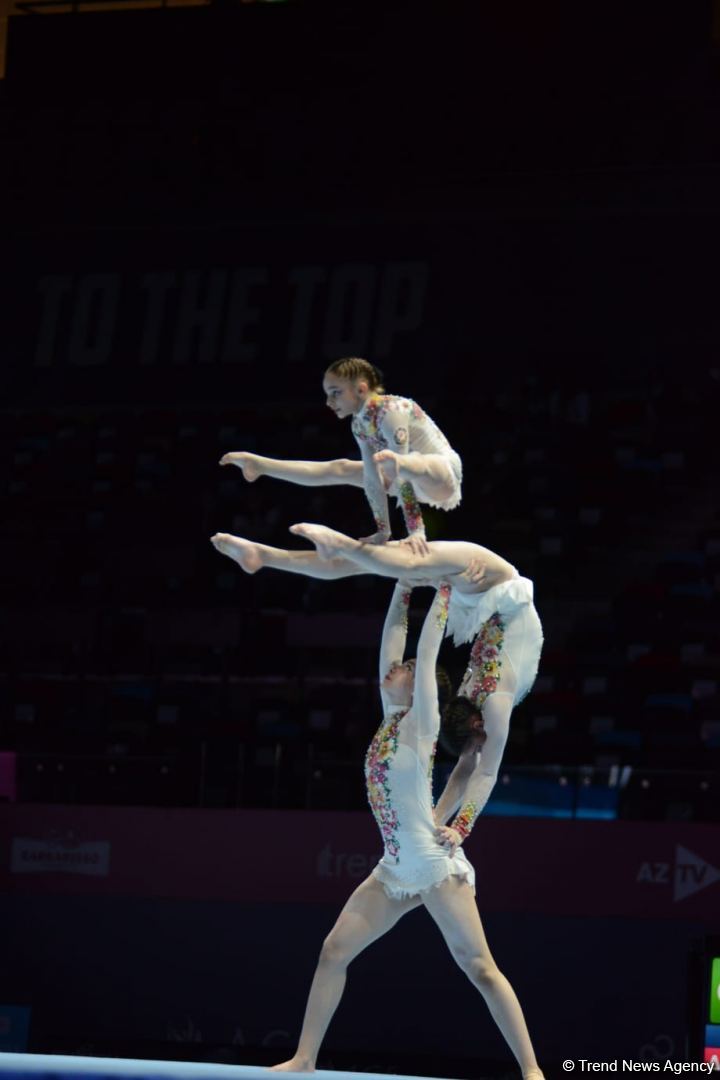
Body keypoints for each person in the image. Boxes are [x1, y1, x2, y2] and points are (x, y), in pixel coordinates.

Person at [265, 581, 543, 1078]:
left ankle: (532, 1072)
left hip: (434, 867)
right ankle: (304, 1060)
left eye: (404, 669)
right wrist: (401, 587)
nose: (391, 669)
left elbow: (424, 647)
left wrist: (439, 588)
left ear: (419, 684)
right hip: (394, 868)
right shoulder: (393, 716)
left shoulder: (422, 721)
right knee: (333, 951)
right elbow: (394, 637)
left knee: (479, 967)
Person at [211, 524, 543, 831]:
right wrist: (457, 829)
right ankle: (337, 544)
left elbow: (467, 765)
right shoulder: (495, 707)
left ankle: (265, 556)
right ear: (477, 727)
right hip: (502, 585)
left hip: (478, 601)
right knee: (404, 562)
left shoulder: (462, 708)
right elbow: (483, 771)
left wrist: (436, 820)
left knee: (384, 564)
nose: (475, 751)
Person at [219, 358, 462, 549]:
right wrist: (383, 531)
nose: (328, 402)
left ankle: (403, 478)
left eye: (335, 392)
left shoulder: (392, 411)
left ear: (361, 389)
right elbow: (371, 480)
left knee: (401, 463)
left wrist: (416, 531)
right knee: (343, 468)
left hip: (443, 475)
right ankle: (261, 466)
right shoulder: (359, 425)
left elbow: (400, 472)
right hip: (406, 477)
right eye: (327, 394)